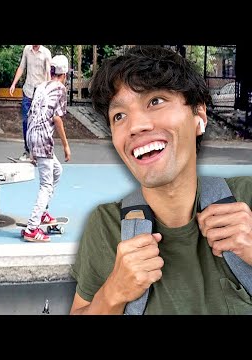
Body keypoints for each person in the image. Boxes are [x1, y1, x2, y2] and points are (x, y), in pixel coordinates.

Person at [70, 45, 252, 315]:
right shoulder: (108, 227)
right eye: (119, 116)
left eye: (155, 101)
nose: (135, 126)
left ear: (199, 116)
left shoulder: (246, 198)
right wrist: (112, 294)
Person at [22, 54, 71, 243]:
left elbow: (31, 114)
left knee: (57, 170)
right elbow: (57, 118)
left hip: (33, 136)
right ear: (64, 74)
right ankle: (32, 229)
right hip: (43, 140)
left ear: (51, 71)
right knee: (46, 185)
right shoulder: (60, 89)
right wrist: (66, 146)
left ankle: (43, 213)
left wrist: (31, 147)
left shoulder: (40, 86)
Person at [9, 45, 52, 161]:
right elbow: (22, 67)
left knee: (38, 123)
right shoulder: (27, 50)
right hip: (28, 91)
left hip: (40, 93)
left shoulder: (46, 53)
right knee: (25, 121)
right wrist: (14, 84)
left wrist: (48, 91)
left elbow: (48, 74)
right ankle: (27, 151)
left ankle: (38, 152)